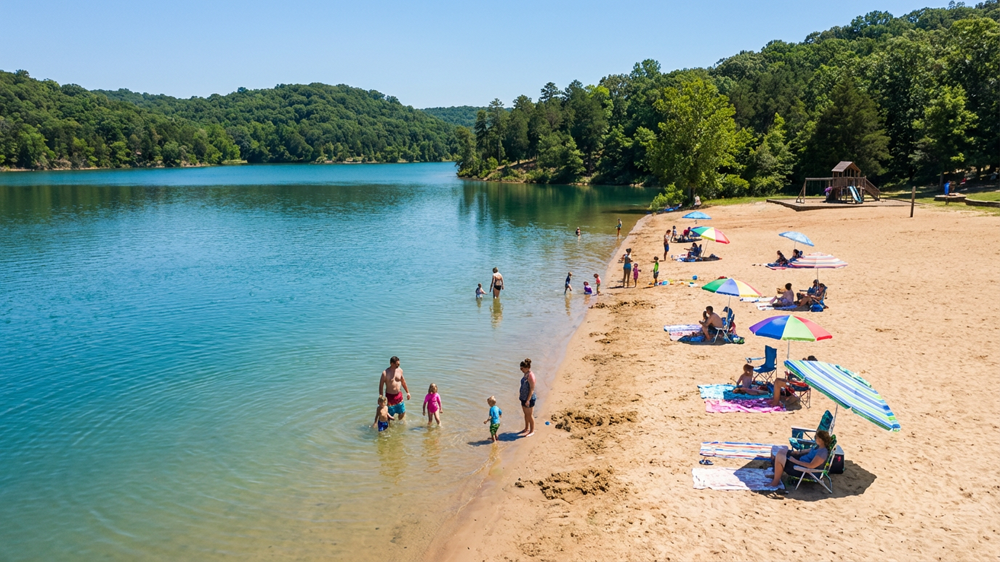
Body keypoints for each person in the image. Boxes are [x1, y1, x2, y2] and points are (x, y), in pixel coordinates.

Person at [379, 356, 410, 420]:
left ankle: (399, 424)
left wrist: (408, 392)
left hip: (399, 395)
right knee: (389, 416)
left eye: (399, 364)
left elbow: (403, 382)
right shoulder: (385, 373)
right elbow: (381, 386)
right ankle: (390, 427)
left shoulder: (400, 371)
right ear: (391, 363)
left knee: (402, 412)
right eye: (397, 364)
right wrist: (381, 398)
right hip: (389, 397)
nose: (398, 365)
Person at [518, 358, 536, 436]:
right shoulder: (525, 374)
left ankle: (532, 431)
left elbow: (532, 389)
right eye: (520, 368)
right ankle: (526, 428)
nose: (521, 369)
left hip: (529, 398)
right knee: (525, 414)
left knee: (529, 415)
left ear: (527, 368)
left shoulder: (531, 376)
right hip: (523, 397)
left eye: (522, 368)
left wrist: (528, 400)